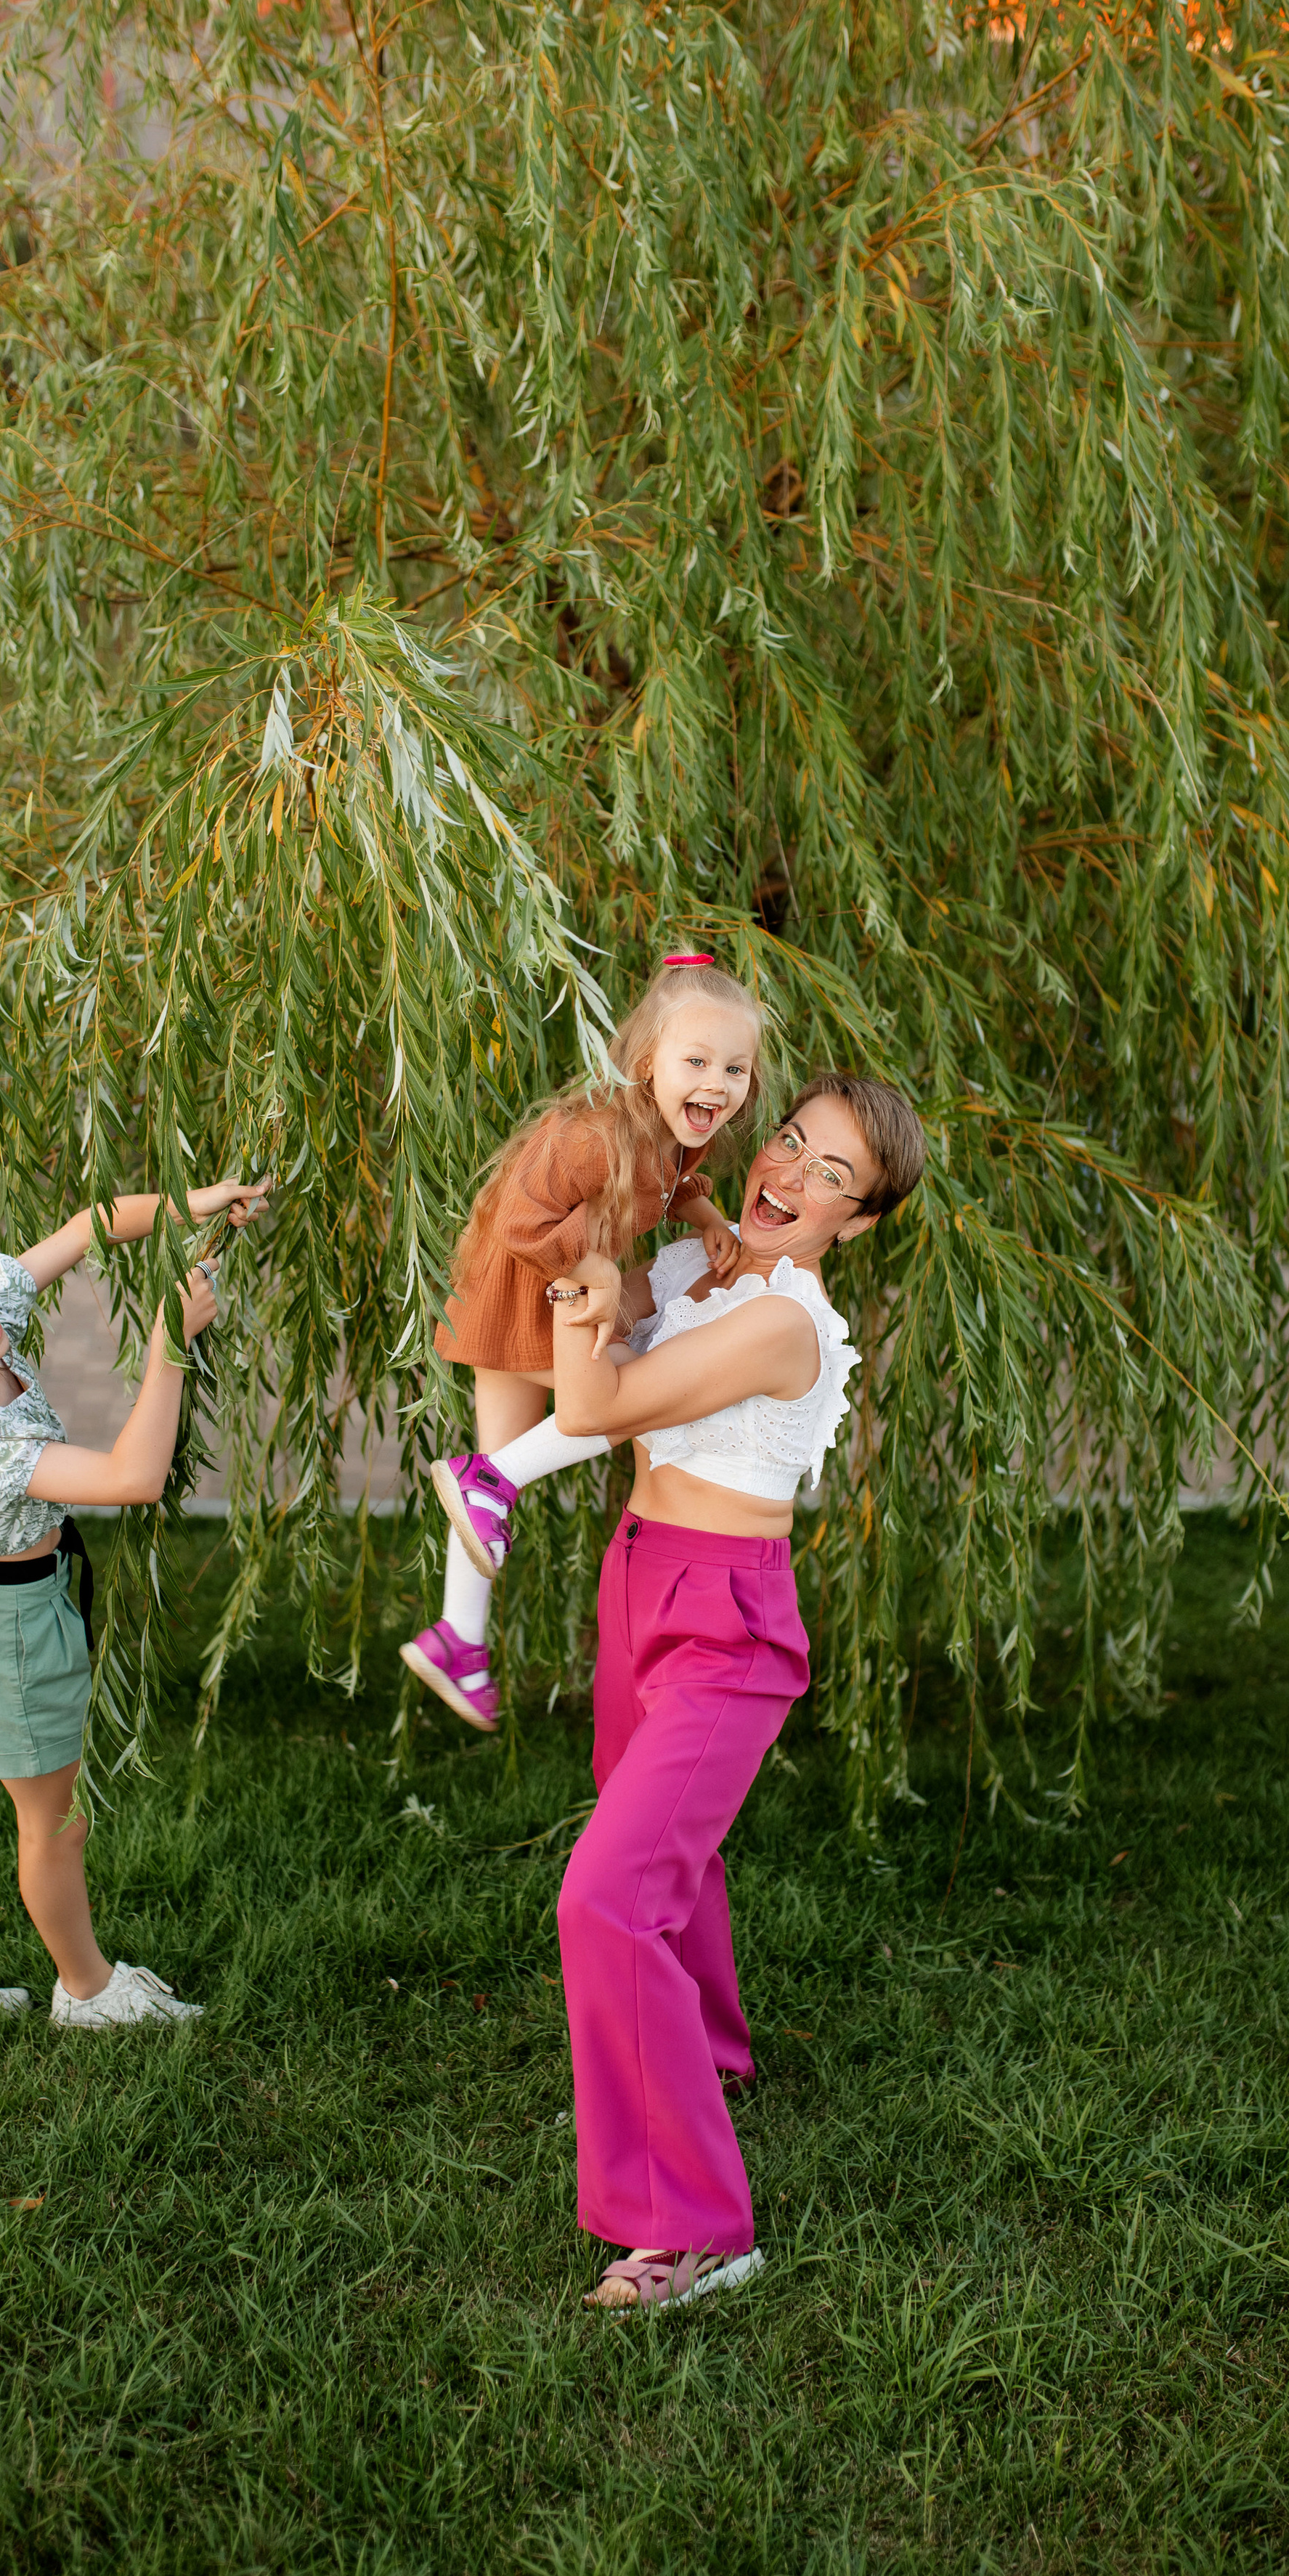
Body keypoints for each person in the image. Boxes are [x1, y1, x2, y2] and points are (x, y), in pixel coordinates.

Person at [544, 1074, 925, 2310]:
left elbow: (591, 1403)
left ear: (857, 1221)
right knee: (668, 1849)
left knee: (608, 1896)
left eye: (832, 1175)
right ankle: (705, 2053)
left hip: (727, 1620)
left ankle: (696, 2228)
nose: (793, 1175)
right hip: (638, 1577)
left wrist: (584, 1294)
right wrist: (617, 1211)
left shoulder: (785, 1322)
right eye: (794, 1142)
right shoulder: (695, 1266)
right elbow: (594, 1287)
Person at [0, 1178, 267, 2034]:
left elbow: (86, 1227)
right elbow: (132, 1478)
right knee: (56, 1826)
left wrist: (195, 1203)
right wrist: (169, 1345)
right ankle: (89, 1991)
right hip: (10, 1633)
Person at [402, 952, 763, 1732]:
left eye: (735, 1069)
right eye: (697, 1062)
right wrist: (594, 1262)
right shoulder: (595, 1136)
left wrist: (705, 1216)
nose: (718, 1083)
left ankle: (457, 1637)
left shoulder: (672, 1134)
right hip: (522, 1293)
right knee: (628, 1398)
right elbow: (518, 1221)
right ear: (647, 1063)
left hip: (537, 1293)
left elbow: (665, 1186)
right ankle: (487, 1481)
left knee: (492, 1486)